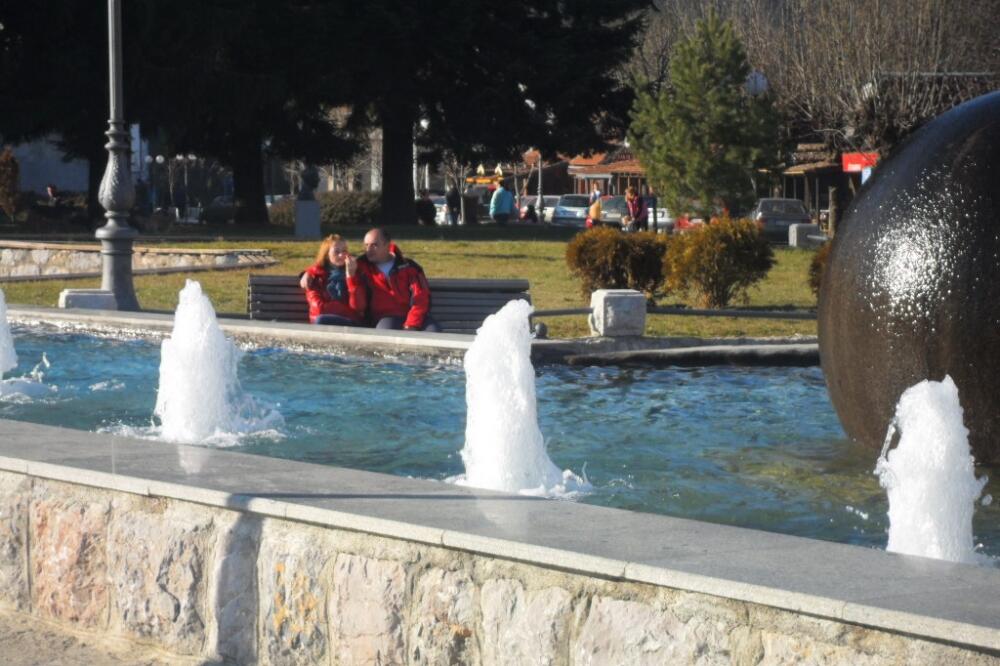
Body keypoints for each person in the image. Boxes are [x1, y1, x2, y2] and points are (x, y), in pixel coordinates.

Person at [355, 227, 441, 331]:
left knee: (433, 331)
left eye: (374, 245)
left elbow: (421, 297)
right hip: (383, 318)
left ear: (387, 245)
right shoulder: (360, 267)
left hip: (414, 316)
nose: (369, 250)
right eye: (366, 245)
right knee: (386, 333)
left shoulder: (409, 267)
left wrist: (411, 325)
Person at [299, 235, 367, 326]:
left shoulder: (356, 272)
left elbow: (359, 307)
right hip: (323, 322)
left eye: (344, 251)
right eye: (336, 251)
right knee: (322, 319)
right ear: (327, 255)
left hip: (350, 323)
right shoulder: (315, 277)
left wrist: (351, 277)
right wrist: (346, 310)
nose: (342, 255)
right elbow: (319, 309)